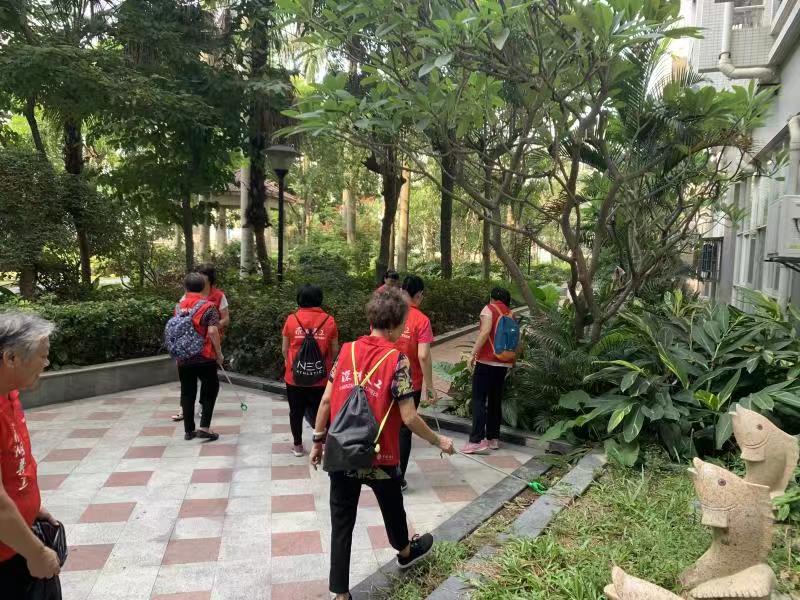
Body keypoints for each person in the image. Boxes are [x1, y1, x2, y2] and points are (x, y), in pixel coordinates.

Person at [310, 288, 455, 600]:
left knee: (342, 521)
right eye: (403, 323)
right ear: (394, 325)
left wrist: (318, 441)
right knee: (392, 506)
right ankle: (405, 551)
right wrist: (438, 440)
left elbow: (326, 401)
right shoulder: (397, 360)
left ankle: (340, 594)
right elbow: (409, 417)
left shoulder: (346, 351)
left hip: (342, 452)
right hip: (380, 454)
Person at [0, 312, 62, 598]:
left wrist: (30, 505)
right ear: (11, 358)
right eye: (43, 356)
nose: (46, 363)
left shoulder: (9, 393)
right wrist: (37, 553)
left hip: (18, 546)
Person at [281, 284, 339, 457]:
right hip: (321, 377)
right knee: (323, 409)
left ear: (299, 299)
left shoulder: (291, 319)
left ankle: (298, 446)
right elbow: (335, 350)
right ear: (319, 299)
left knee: (295, 411)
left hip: (295, 377)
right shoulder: (329, 320)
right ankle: (324, 443)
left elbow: (285, 349)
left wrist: (289, 362)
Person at [172, 263, 229, 422]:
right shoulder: (186, 297)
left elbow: (225, 319)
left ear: (209, 278)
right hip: (189, 345)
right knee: (188, 382)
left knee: (206, 380)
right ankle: (184, 409)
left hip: (208, 344)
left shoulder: (219, 296)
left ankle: (202, 408)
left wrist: (213, 326)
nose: (198, 277)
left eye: (202, 274)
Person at [463, 287, 517, 454]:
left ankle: (476, 440)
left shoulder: (489, 309)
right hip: (504, 362)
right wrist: (512, 361)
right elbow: (516, 340)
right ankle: (493, 438)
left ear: (492, 298)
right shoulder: (510, 313)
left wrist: (472, 354)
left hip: (486, 361)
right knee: (495, 400)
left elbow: (485, 332)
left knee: (479, 399)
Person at [395, 275, 436, 492]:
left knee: (383, 424)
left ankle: (380, 472)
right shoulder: (422, 320)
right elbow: (423, 355)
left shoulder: (388, 312)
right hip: (411, 382)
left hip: (383, 377)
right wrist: (430, 386)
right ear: (419, 295)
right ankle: (398, 478)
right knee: (404, 428)